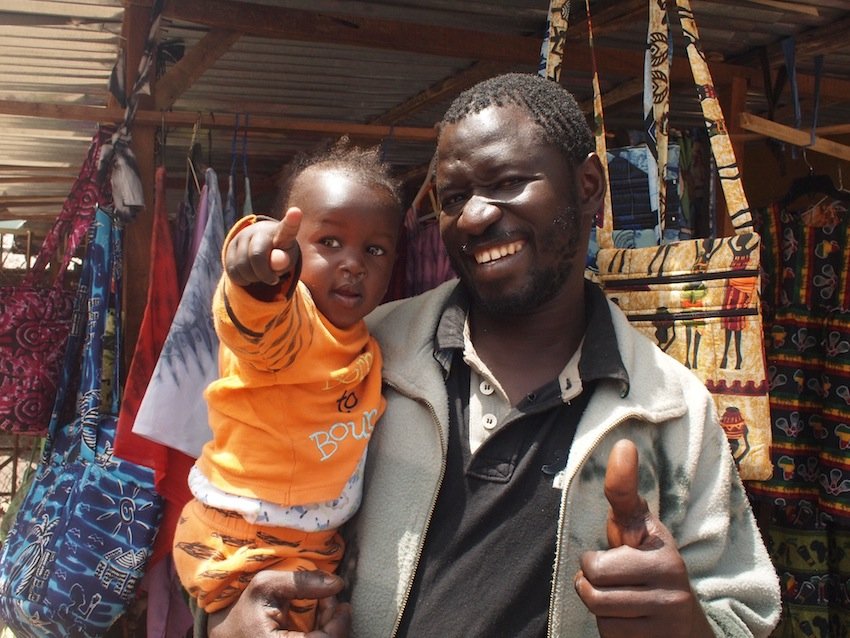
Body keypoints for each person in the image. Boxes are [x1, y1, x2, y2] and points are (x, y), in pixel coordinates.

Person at [200, 73, 781, 637]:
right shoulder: (362, 356)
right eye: (454, 197)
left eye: (506, 182)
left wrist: (684, 628)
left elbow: (743, 612)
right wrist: (227, 619)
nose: (475, 216)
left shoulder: (672, 412)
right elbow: (244, 498)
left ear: (587, 187)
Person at [172, 139, 403, 632]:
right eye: (330, 242)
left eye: (375, 249)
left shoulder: (366, 340)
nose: (353, 263)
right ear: (292, 249)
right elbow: (253, 320)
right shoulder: (292, 322)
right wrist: (256, 269)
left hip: (307, 537)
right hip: (243, 537)